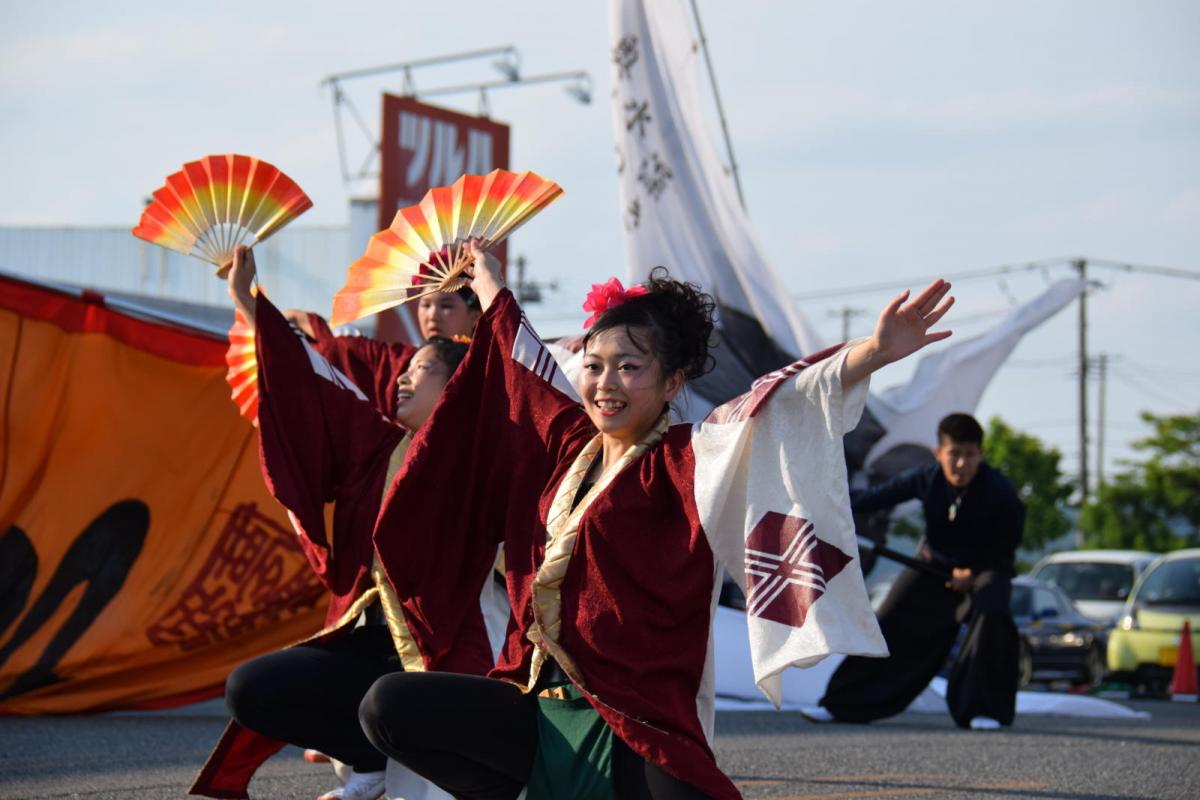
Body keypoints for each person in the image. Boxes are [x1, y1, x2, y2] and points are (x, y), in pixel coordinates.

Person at [356, 242, 954, 799]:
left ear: (672, 383)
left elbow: (778, 403)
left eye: (628, 367)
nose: (605, 383)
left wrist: (872, 353)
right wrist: (488, 282)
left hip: (637, 719)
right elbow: (523, 362)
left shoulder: (692, 458)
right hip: (539, 707)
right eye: (594, 366)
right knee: (388, 706)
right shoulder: (569, 444)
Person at [191, 246, 494, 800]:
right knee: (251, 689)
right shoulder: (376, 446)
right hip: (370, 643)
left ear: (457, 385)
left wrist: (493, 291)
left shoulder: (484, 455)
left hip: (453, 654)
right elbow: (313, 383)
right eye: (402, 371)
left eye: (421, 370)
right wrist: (248, 302)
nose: (403, 379)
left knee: (404, 714)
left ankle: (403, 751)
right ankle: (366, 756)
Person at [805, 412, 1025, 730]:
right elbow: (870, 499)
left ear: (981, 455)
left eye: (969, 455)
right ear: (939, 453)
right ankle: (843, 704)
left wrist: (974, 572)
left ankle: (983, 709)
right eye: (954, 454)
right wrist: (819, 503)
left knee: (991, 610)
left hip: (986, 571)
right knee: (888, 619)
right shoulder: (925, 478)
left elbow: (1007, 547)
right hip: (933, 567)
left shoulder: (1001, 493)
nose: (961, 464)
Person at [283, 280, 482, 420]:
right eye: (425, 304)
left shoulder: (487, 369)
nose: (432, 315)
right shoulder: (396, 359)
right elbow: (342, 350)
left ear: (475, 316)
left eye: (446, 306)